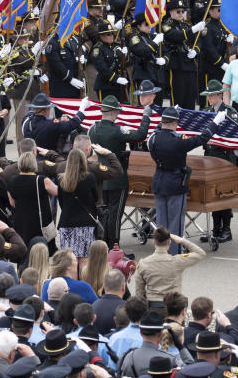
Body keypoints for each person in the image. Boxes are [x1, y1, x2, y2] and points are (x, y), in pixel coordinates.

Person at [146, 107, 215, 255]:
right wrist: (215, 123)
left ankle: (160, 252)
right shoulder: (177, 141)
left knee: (161, 223)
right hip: (175, 183)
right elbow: (202, 138)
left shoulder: (153, 139)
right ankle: (174, 253)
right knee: (175, 222)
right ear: (175, 123)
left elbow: (159, 129)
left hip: (159, 181)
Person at [88, 95, 152, 248]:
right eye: (117, 112)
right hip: (117, 178)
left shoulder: (93, 129)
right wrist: (146, 116)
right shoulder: (117, 131)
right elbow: (140, 135)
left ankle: (103, 245)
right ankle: (114, 247)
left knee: (103, 214)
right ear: (112, 113)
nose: (118, 115)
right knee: (115, 215)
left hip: (100, 178)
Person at [200, 80, 238, 243]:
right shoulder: (206, 111)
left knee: (224, 193)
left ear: (220, 95)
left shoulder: (230, 112)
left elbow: (234, 134)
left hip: (224, 157)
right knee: (213, 193)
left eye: (212, 95)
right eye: (208, 95)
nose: (209, 98)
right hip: (210, 156)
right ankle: (216, 228)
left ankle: (226, 229)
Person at [132, 227, 206, 312]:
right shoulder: (177, 261)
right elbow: (200, 253)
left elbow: (139, 293)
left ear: (153, 242)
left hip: (153, 308)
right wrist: (182, 240)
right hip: (174, 308)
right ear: (169, 242)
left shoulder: (143, 263)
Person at [56, 148, 100, 266]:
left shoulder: (61, 180)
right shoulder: (89, 177)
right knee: (85, 260)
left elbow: (61, 203)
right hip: (85, 223)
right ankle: (83, 284)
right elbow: (96, 198)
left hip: (67, 223)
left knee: (69, 262)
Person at [7, 152, 58, 248]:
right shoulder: (41, 180)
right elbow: (58, 192)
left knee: (23, 252)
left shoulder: (12, 181)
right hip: (39, 223)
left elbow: (12, 203)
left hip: (21, 222)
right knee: (40, 253)